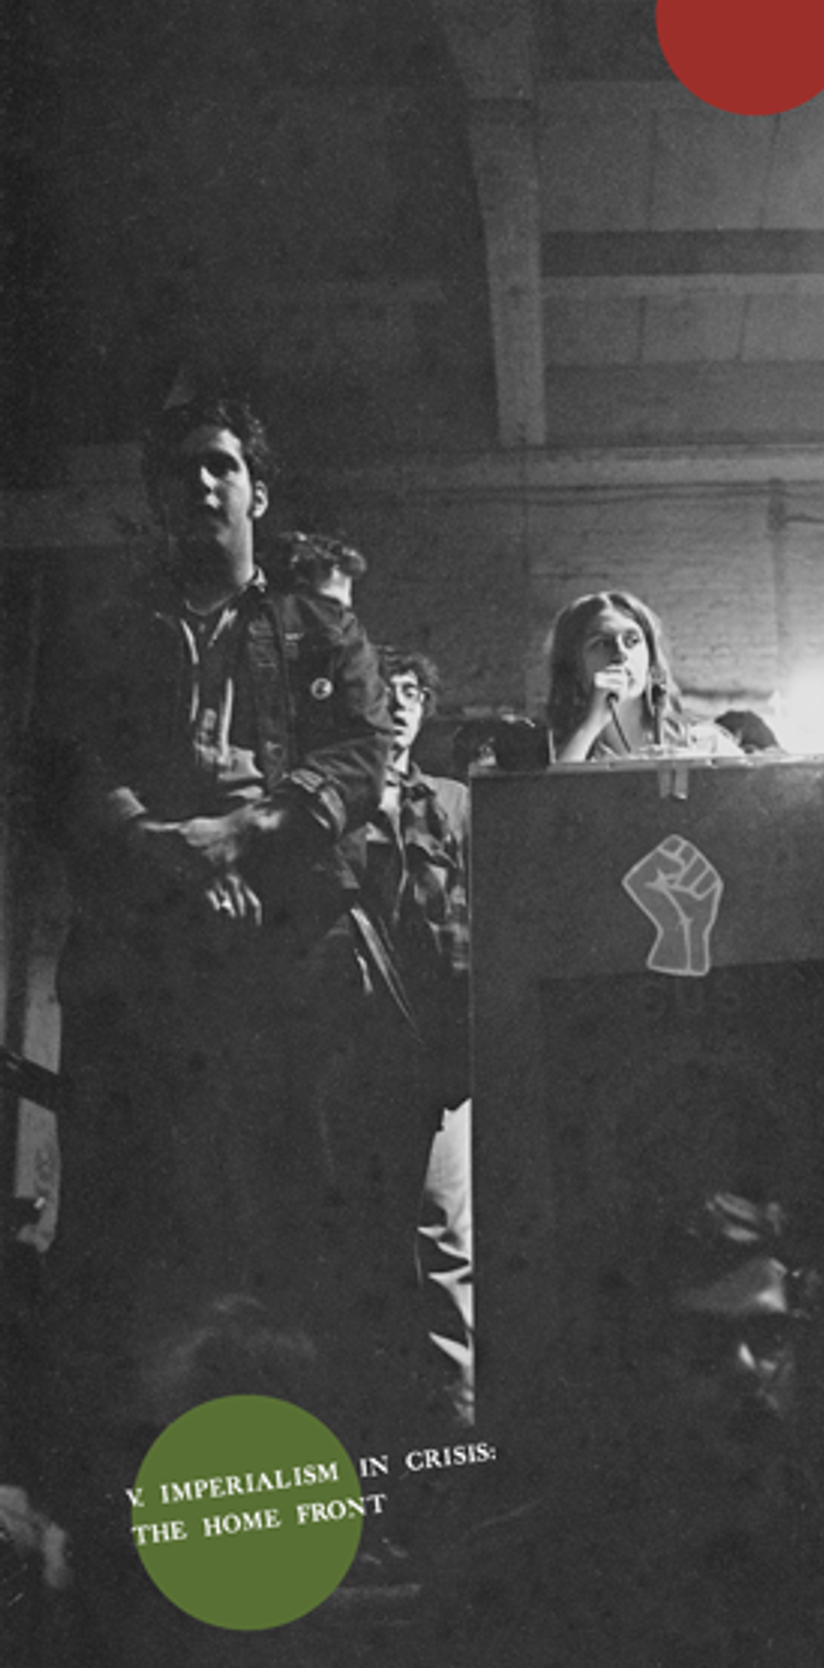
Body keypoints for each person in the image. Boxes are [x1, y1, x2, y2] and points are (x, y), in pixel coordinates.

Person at [29, 395, 428, 1623]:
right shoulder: (103, 632)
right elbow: (57, 770)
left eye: (223, 468)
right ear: (159, 497)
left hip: (285, 1007)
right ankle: (133, 1531)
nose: (203, 487)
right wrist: (160, 849)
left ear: (258, 490)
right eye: (182, 472)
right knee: (142, 1251)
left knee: (300, 1252)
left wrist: (248, 835)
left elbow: (358, 760)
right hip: (141, 1003)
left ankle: (320, 1527)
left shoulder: (320, 628)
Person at [356, 648, 474, 1430]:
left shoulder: (457, 803)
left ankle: (457, 1416)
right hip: (361, 1045)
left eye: (412, 694)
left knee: (444, 1231)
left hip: (444, 1045)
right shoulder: (336, 801)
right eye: (384, 693)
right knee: (364, 1232)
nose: (399, 706)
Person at [546, 590, 739, 762]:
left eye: (633, 640)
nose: (621, 653)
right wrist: (590, 725)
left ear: (650, 657)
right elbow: (559, 796)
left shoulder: (705, 744)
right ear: (574, 666)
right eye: (602, 643)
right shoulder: (559, 752)